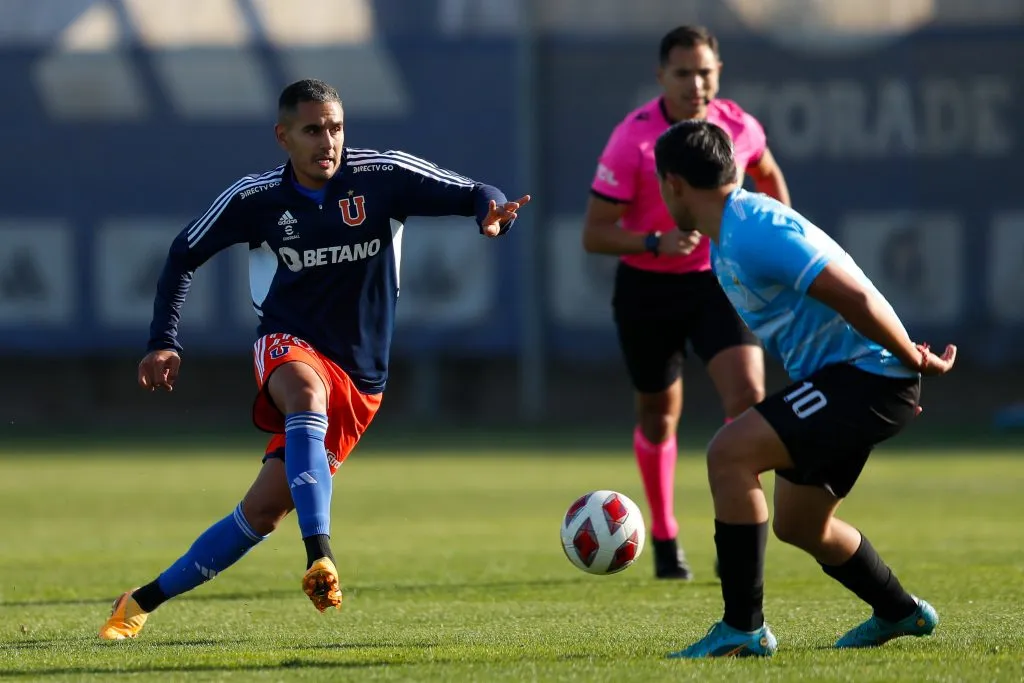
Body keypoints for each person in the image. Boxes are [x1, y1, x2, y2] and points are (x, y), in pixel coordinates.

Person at [99, 79, 530, 640]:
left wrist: (490, 211)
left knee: (260, 514)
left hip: (361, 379)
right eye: (312, 130)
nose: (327, 141)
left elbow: (474, 189)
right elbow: (182, 255)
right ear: (283, 137)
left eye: (335, 128)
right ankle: (319, 555)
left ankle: (139, 601)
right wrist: (163, 339)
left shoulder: (382, 176)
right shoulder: (254, 199)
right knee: (305, 393)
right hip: (288, 343)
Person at [652, 119, 955, 658]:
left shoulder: (752, 228)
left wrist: (909, 361)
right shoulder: (729, 237)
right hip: (857, 381)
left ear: (673, 182)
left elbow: (855, 296)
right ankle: (899, 611)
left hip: (867, 376)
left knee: (729, 454)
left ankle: (743, 629)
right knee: (800, 523)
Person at [582, 25, 791, 580]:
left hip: (719, 283)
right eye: (683, 73)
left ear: (718, 72)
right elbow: (595, 233)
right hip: (647, 290)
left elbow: (769, 177)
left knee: (749, 399)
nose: (695, 83)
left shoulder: (739, 127)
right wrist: (654, 241)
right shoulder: (633, 140)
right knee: (658, 418)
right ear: (661, 78)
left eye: (705, 71)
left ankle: (738, 538)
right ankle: (665, 534)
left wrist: (771, 246)